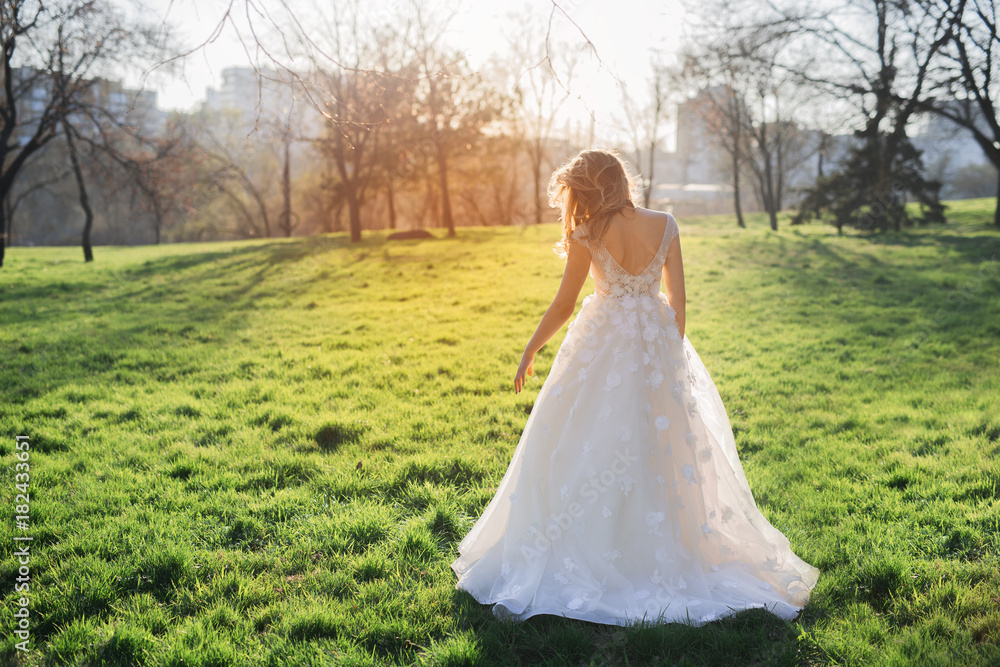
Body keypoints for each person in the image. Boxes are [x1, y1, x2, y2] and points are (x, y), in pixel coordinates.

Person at [450, 149, 820, 626]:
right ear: (621, 180)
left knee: (588, 439)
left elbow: (565, 304)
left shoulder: (589, 232)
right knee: (662, 443)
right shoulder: (665, 223)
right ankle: (666, 538)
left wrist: (531, 348)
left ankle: (595, 535)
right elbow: (678, 299)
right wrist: (670, 352)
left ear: (589, 188)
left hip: (602, 342)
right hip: (655, 342)